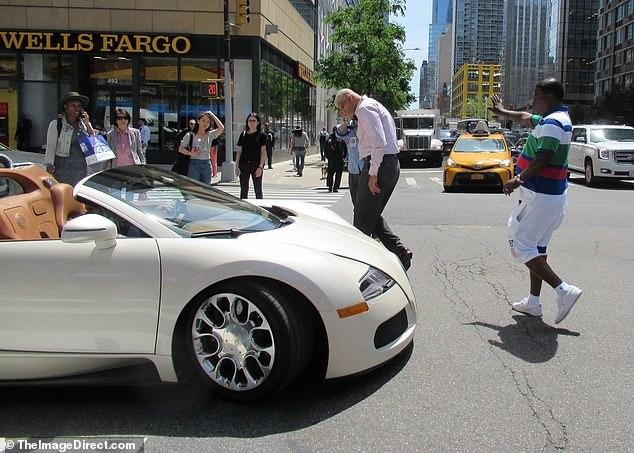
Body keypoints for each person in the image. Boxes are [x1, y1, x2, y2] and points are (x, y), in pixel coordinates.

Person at [489, 78, 582, 324]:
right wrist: (503, 112)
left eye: (538, 96)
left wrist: (517, 179)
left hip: (539, 195)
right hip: (552, 195)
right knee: (537, 248)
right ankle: (533, 302)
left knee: (519, 244)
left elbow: (544, 158)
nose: (534, 100)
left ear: (549, 97)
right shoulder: (558, 118)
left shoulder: (553, 122)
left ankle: (563, 290)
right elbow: (524, 117)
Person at [334, 88, 413, 270]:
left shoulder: (364, 108)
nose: (343, 110)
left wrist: (372, 174)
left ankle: (362, 268)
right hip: (387, 164)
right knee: (369, 215)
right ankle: (399, 251)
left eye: (342, 106)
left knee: (361, 221)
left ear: (349, 97)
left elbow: (378, 143)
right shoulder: (369, 107)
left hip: (380, 165)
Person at [44, 91, 97, 186]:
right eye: (73, 105)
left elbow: (94, 142)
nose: (77, 108)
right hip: (62, 167)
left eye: (79, 106)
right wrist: (49, 166)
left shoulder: (83, 125)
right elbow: (51, 147)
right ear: (66, 107)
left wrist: (87, 124)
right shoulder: (56, 124)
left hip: (81, 167)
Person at [177, 110, 224, 184]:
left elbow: (221, 128)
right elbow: (180, 148)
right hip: (194, 163)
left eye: (208, 122)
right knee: (194, 188)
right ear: (198, 121)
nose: (205, 123)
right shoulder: (190, 135)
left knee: (205, 189)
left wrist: (212, 115)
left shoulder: (210, 134)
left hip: (207, 164)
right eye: (203, 121)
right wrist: (190, 153)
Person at [235, 112, 267, 199]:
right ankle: (244, 210)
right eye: (250, 120)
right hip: (244, 164)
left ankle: (260, 209)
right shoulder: (243, 134)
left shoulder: (261, 135)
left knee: (258, 189)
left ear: (258, 123)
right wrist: (237, 165)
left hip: (256, 165)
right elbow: (239, 151)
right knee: (244, 189)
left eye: (254, 121)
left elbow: (263, 152)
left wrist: (261, 167)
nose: (251, 122)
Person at [336, 115, 363, 205]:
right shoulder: (349, 128)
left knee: (367, 203)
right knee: (355, 200)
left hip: (366, 168)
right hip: (353, 169)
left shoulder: (365, 125)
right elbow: (339, 133)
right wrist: (347, 122)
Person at [325, 126, 347, 193]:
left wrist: (327, 157)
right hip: (337, 159)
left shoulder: (331, 139)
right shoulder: (339, 138)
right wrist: (344, 156)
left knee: (332, 173)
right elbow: (345, 149)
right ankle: (333, 187)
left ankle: (331, 187)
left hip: (334, 159)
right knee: (337, 174)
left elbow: (325, 149)